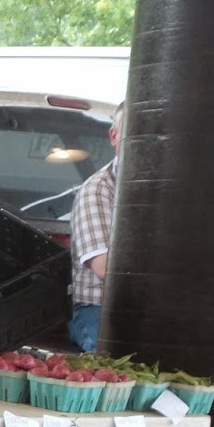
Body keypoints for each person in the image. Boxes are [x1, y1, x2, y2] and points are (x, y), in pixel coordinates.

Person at [69, 101, 125, 353]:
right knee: (114, 367)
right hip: (97, 308)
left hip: (142, 307)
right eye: (134, 132)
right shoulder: (99, 189)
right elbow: (104, 267)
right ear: (114, 136)